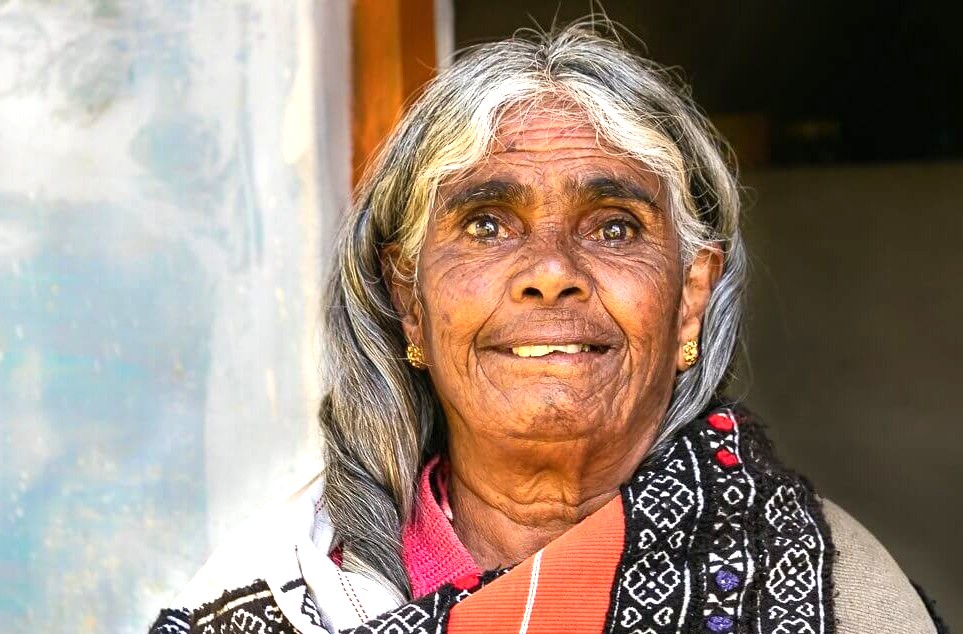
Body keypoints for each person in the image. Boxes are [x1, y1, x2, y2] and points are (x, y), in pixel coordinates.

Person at [149, 23, 947, 634]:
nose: (550, 269)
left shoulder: (838, 600)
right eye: (487, 224)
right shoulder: (276, 592)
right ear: (410, 299)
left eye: (613, 228)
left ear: (689, 298)